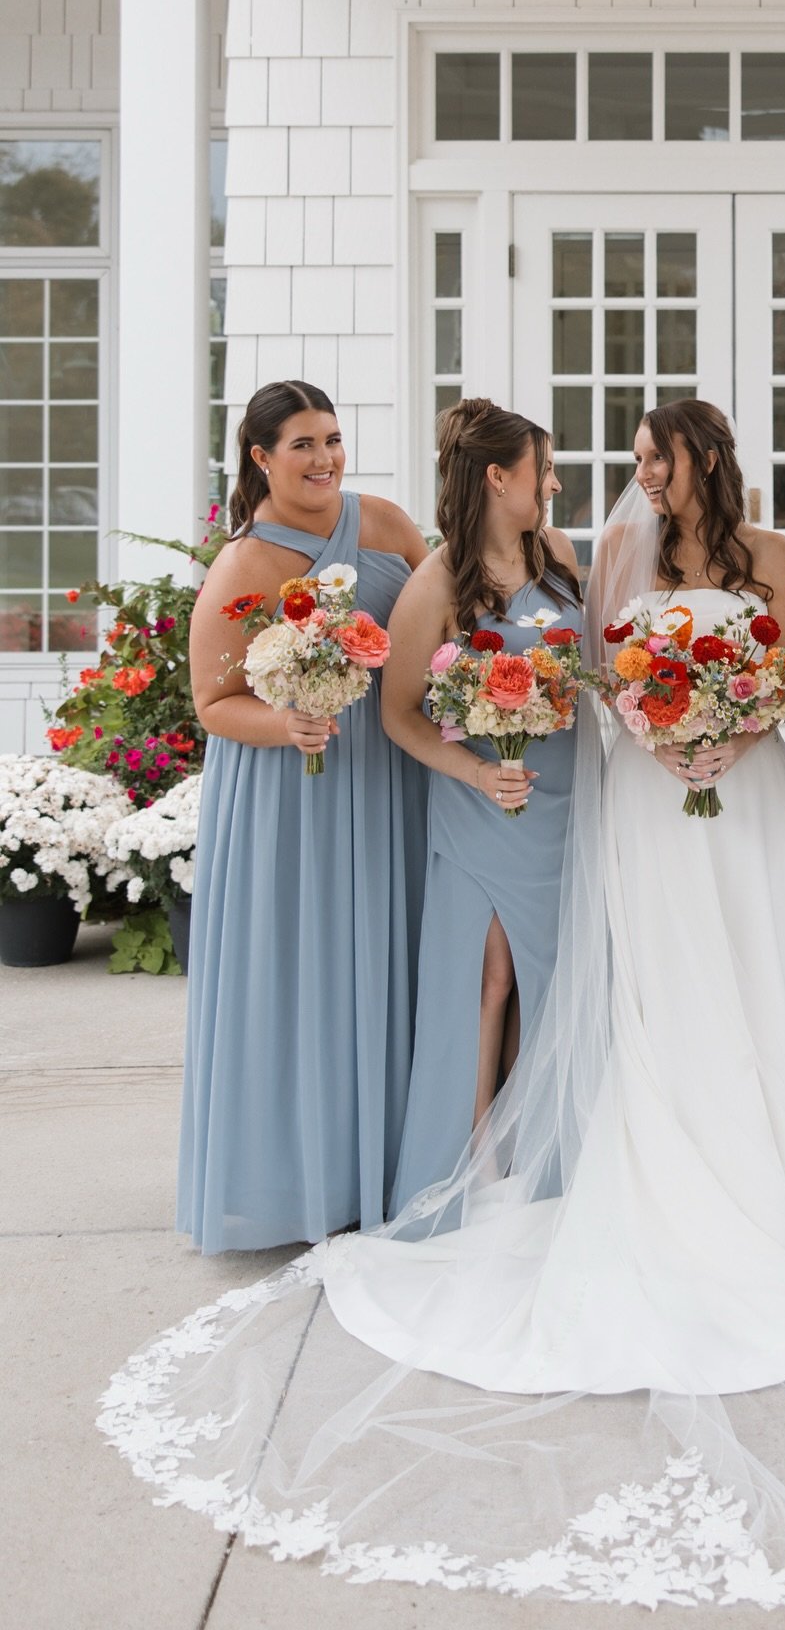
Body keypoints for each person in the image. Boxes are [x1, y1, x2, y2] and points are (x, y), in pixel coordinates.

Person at [107, 403, 785, 1605]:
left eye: (655, 456)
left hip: (746, 797)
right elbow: (597, 675)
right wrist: (659, 738)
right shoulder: (602, 556)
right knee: (649, 973)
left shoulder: (767, 557)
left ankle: (755, 1172)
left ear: (699, 460)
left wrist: (731, 730)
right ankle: (631, 1158)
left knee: (748, 970)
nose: (636, 474)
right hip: (647, 792)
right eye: (626, 460)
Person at [178, 380, 429, 1254]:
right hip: (297, 793)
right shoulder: (244, 565)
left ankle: (396, 1165)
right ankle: (303, 1177)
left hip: (393, 775)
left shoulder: (389, 523)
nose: (324, 458)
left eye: (332, 438)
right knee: (310, 972)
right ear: (260, 458)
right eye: (302, 445)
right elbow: (212, 701)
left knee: (393, 961)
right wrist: (286, 723)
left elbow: (444, 622)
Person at [382, 400, 583, 1212]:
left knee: (557, 977)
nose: (556, 483)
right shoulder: (435, 583)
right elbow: (398, 714)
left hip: (567, 799)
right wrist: (472, 775)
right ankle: (466, 1174)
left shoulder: (560, 554)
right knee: (488, 980)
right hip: (483, 805)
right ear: (500, 477)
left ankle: (548, 1153)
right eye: (544, 469)